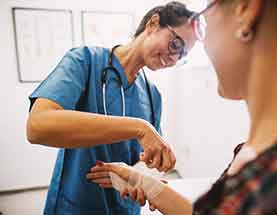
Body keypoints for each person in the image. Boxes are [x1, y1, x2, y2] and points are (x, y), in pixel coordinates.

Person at [88, 0, 277, 214]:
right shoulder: (257, 161)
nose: (205, 42)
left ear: (246, 10)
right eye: (176, 45)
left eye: (206, 14)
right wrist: (145, 183)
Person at [26, 2, 197, 214]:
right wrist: (138, 127)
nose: (173, 58)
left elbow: (146, 162)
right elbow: (37, 126)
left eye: (182, 56)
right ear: (153, 23)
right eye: (175, 45)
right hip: (76, 206)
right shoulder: (85, 62)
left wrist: (144, 178)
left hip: (126, 208)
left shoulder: (153, 95)